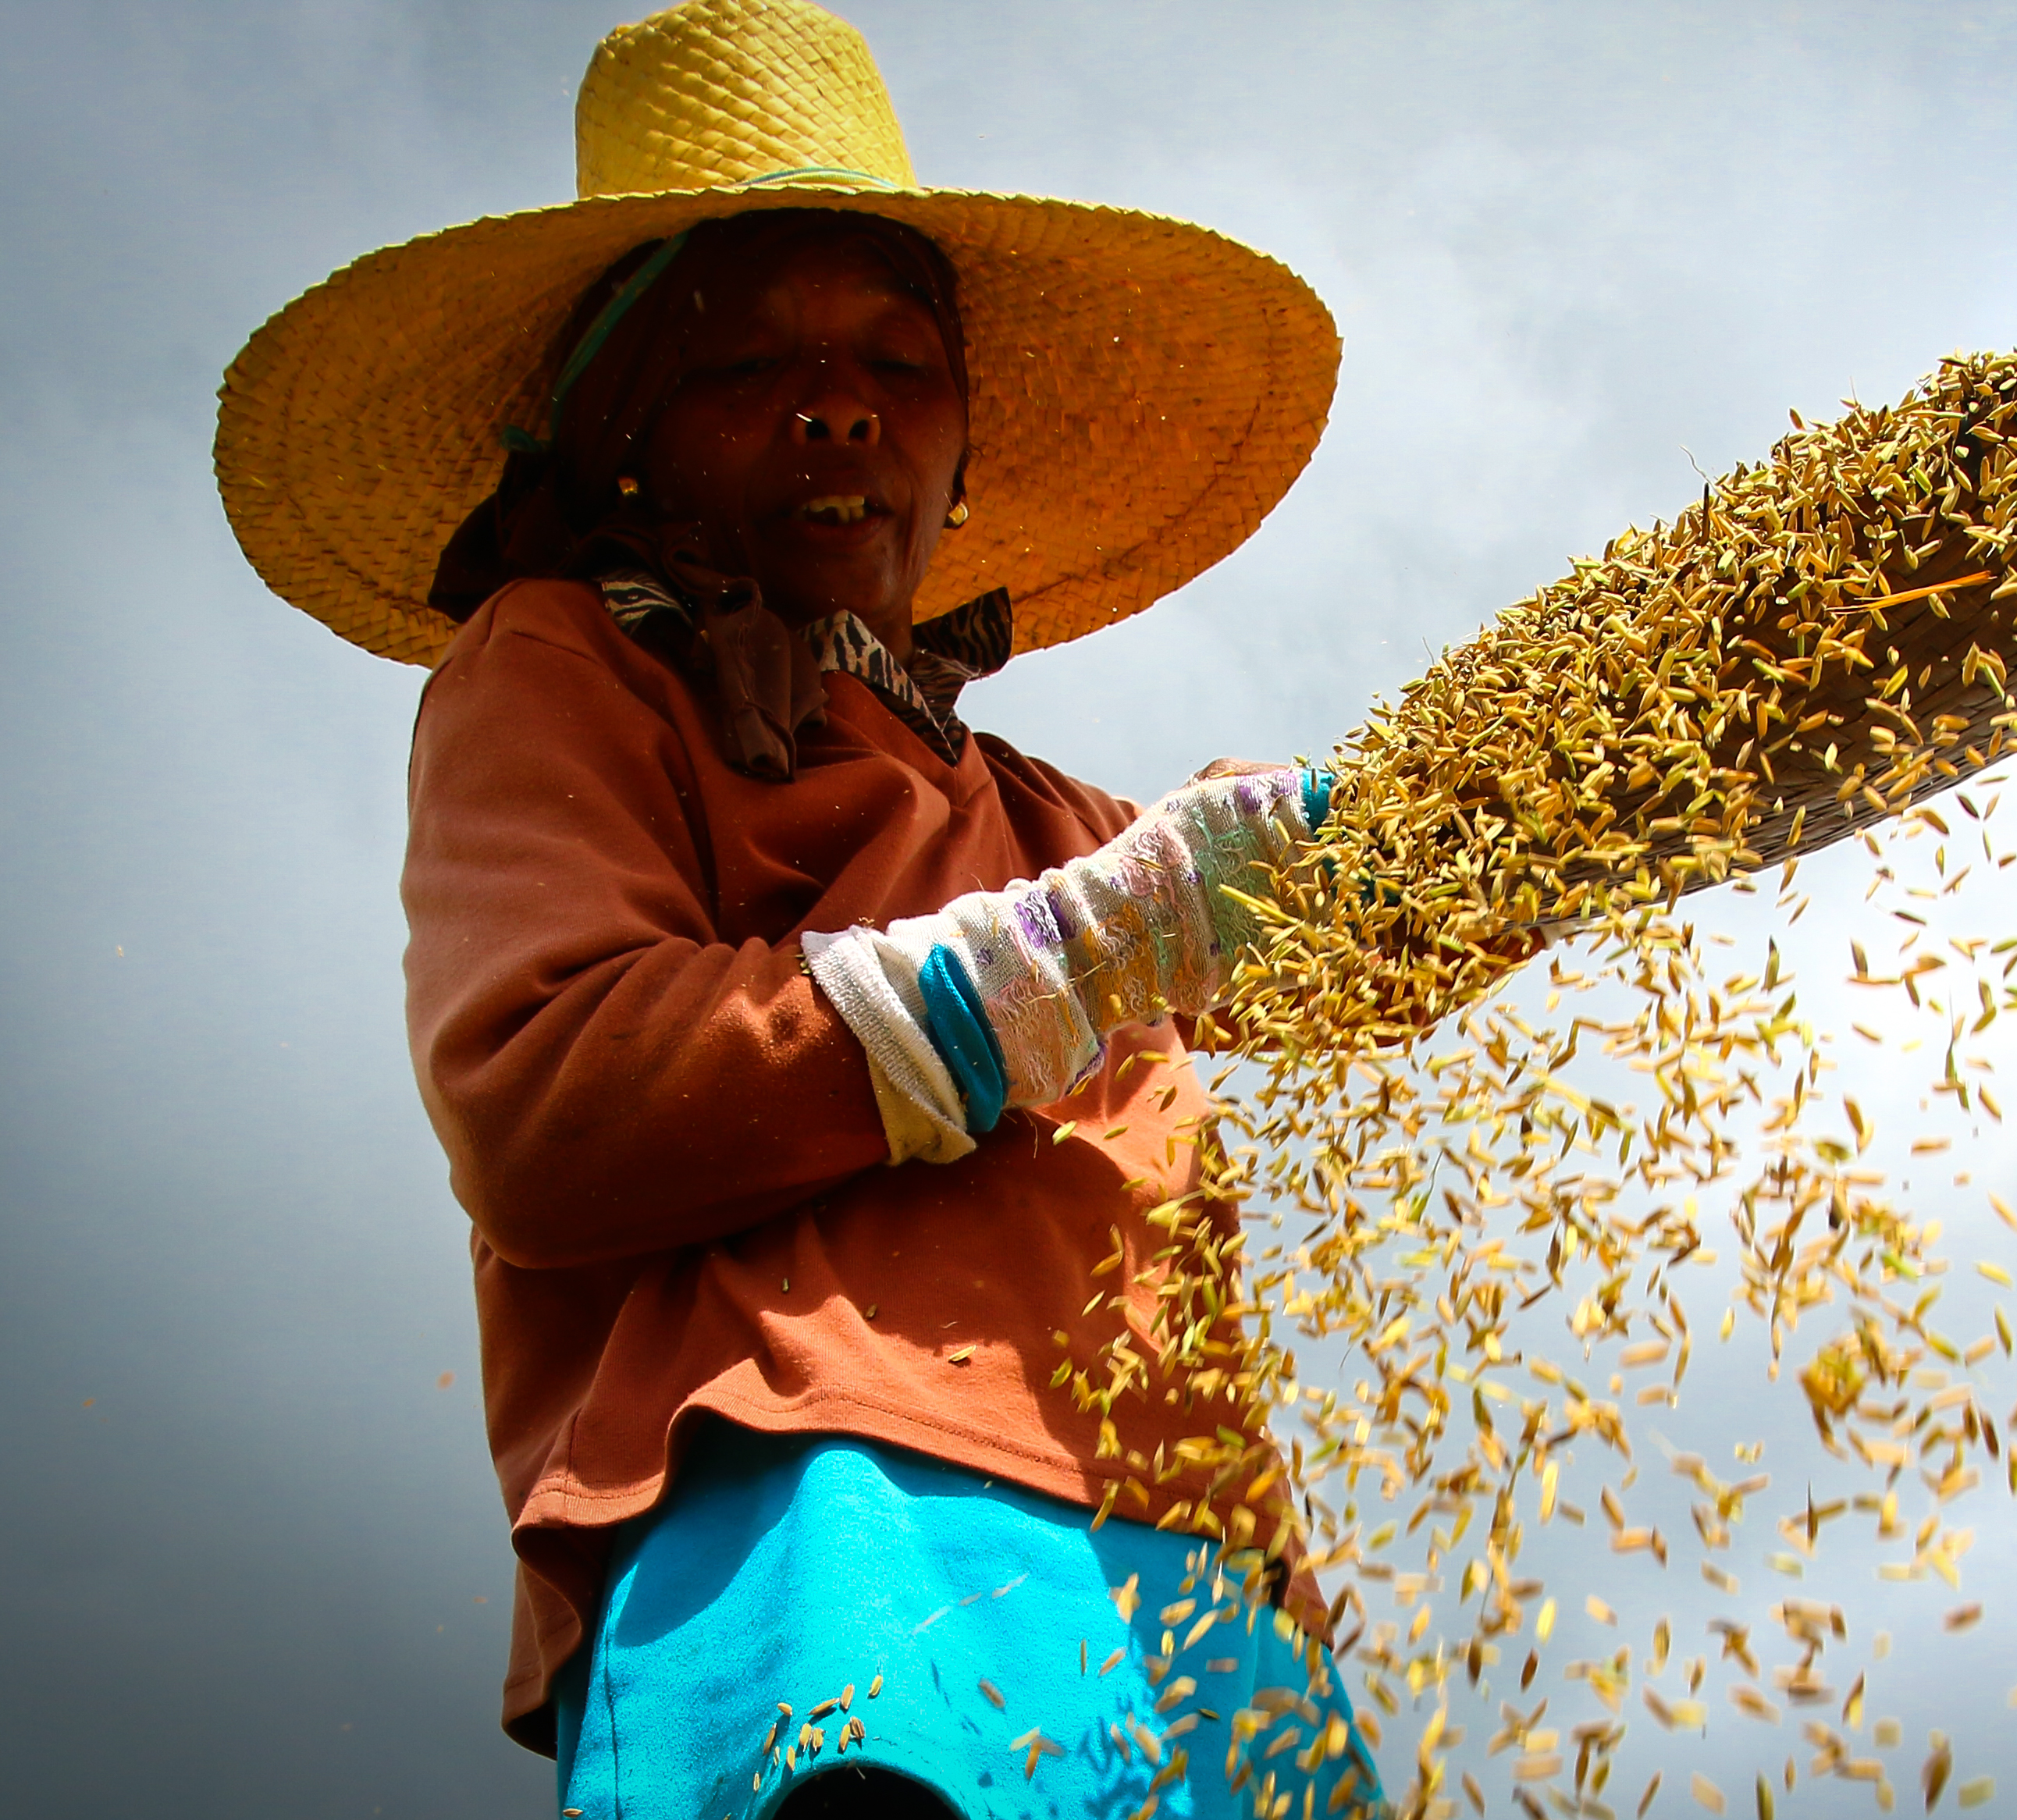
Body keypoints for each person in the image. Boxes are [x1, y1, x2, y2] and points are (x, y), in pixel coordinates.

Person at [215, 3, 1375, 1815]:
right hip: (822, 1492)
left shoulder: (1039, 814)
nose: (840, 401)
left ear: (961, 453)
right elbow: (548, 1094)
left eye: (898, 358)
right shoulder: (571, 664)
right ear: (623, 436)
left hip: (1193, 1564)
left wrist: (1577, 782)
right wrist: (1093, 945)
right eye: (747, 359)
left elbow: (1362, 933)